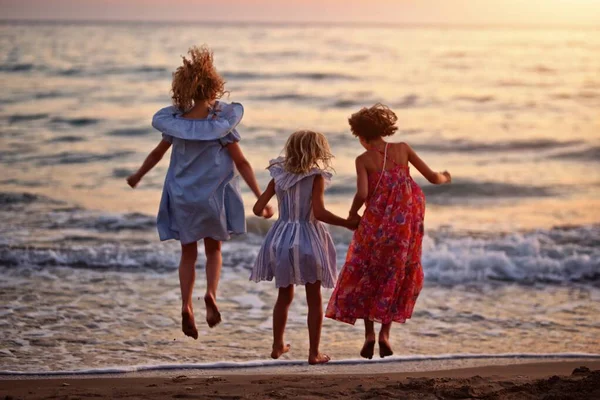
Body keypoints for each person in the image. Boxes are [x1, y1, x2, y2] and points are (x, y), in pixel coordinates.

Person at [127, 45, 273, 340]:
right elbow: (242, 162)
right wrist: (260, 196)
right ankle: (210, 294)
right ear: (215, 87)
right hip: (213, 198)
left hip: (183, 197)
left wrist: (138, 175)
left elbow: (157, 154)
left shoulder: (177, 126)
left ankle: (185, 305)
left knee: (187, 253)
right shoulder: (221, 127)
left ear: (185, 89)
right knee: (214, 249)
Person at [325, 103, 451, 359]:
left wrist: (352, 214)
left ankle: (369, 335)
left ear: (360, 135)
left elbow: (362, 193)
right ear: (384, 130)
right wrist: (446, 177)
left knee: (368, 270)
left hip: (376, 223)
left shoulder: (363, 159)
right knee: (396, 271)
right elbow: (431, 177)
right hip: (406, 225)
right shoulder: (403, 149)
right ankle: (385, 334)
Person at [251, 130, 357, 365]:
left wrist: (267, 211)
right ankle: (314, 353)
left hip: (281, 239)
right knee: (314, 298)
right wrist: (346, 222)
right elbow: (319, 213)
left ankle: (277, 344)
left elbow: (258, 208)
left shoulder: (278, 176)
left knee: (284, 295)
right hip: (308, 238)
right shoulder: (316, 177)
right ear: (316, 152)